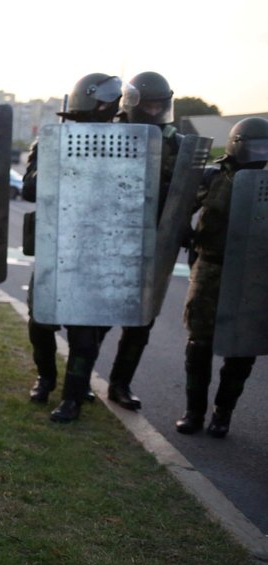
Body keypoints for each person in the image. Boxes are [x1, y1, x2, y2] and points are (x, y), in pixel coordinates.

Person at [21, 73, 123, 416]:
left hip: (97, 250)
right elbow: (30, 189)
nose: (109, 109)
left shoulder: (123, 141)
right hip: (55, 246)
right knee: (40, 323)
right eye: (103, 102)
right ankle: (46, 378)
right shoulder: (52, 140)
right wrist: (62, 158)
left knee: (84, 333)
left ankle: (73, 396)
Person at [175, 116, 268, 437]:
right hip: (211, 268)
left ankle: (223, 413)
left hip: (254, 272)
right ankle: (194, 411)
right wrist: (182, 231)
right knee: (199, 343)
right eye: (254, 146)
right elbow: (179, 206)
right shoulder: (213, 177)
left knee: (242, 349)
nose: (259, 154)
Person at [102, 71, 181, 412]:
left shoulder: (174, 141)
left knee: (141, 322)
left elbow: (184, 189)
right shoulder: (109, 133)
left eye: (158, 106)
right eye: (147, 106)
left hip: (153, 244)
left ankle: (120, 384)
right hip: (111, 239)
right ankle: (78, 384)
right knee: (95, 317)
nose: (153, 112)